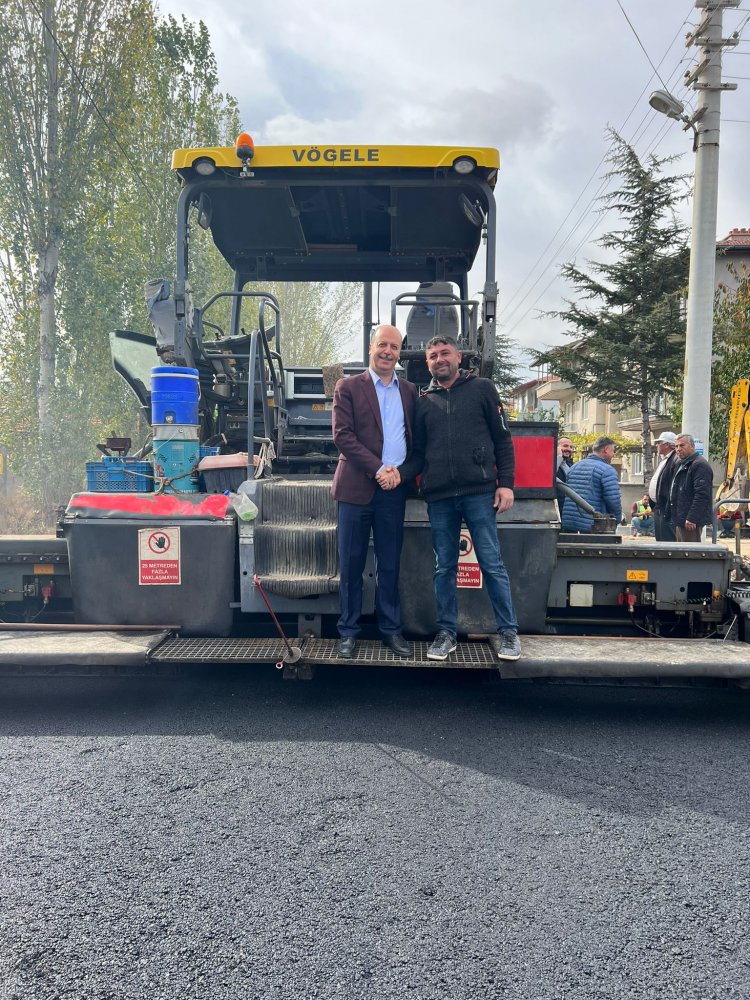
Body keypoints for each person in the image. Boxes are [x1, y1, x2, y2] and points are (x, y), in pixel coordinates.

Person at [392, 335, 521, 663]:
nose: (439, 359)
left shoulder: (483, 389)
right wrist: (398, 474)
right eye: (433, 356)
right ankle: (446, 633)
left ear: (459, 356)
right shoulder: (423, 402)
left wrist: (506, 484)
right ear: (427, 363)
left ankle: (508, 632)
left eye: (444, 353)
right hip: (440, 499)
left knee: (491, 564)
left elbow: (503, 440)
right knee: (444, 567)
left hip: (480, 494)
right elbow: (418, 455)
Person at [331, 324, 417, 658]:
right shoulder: (348, 387)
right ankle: (348, 631)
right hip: (356, 489)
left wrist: (400, 475)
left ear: (399, 352)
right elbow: (343, 435)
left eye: (394, 347)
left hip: (393, 491)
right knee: (351, 564)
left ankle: (391, 630)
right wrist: (379, 469)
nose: (387, 352)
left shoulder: (410, 391)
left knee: (390, 565)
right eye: (383, 344)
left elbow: (415, 442)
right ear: (371, 347)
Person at [560, 436, 622, 532]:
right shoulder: (607, 470)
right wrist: (616, 519)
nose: (613, 454)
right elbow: (613, 499)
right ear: (606, 449)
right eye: (613, 451)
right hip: (594, 525)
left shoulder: (574, 467)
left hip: (569, 523)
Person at [668, 433, 713, 543]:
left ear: (692, 446)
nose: (678, 449)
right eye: (676, 446)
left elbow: (702, 495)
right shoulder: (682, 463)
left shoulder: (699, 465)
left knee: (689, 551)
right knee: (681, 551)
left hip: (690, 521)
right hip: (681, 518)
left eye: (682, 445)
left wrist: (692, 518)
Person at [647, 431, 678, 541]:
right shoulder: (664, 459)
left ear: (667, 444)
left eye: (659, 443)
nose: (656, 445)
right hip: (659, 507)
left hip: (666, 508)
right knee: (660, 541)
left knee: (668, 540)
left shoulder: (675, 459)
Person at [556, 437, 574, 507]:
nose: (569, 449)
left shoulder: (570, 464)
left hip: (569, 504)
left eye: (571, 447)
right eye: (565, 446)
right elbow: (550, 476)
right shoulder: (549, 462)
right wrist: (559, 457)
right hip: (557, 505)